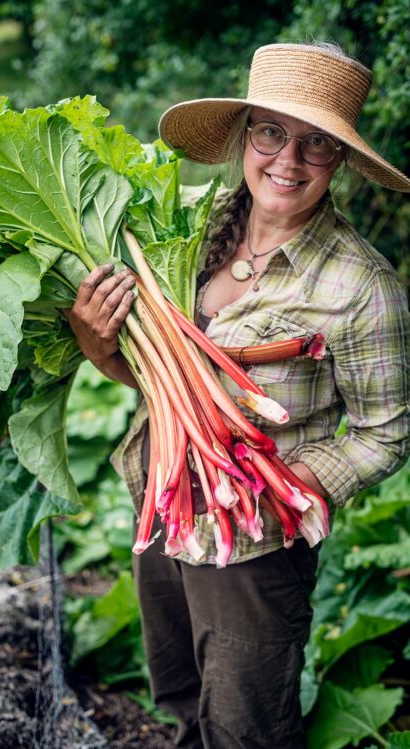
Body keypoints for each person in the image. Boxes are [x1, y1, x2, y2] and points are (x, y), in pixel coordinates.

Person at [65, 43, 409, 749]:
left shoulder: (360, 286)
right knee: (183, 699)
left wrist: (285, 485)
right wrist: (97, 341)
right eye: (271, 132)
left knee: (247, 728)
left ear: (340, 158)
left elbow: (388, 430)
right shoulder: (184, 233)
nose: (288, 159)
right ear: (245, 134)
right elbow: (155, 374)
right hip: (161, 510)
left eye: (317, 143)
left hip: (254, 544)